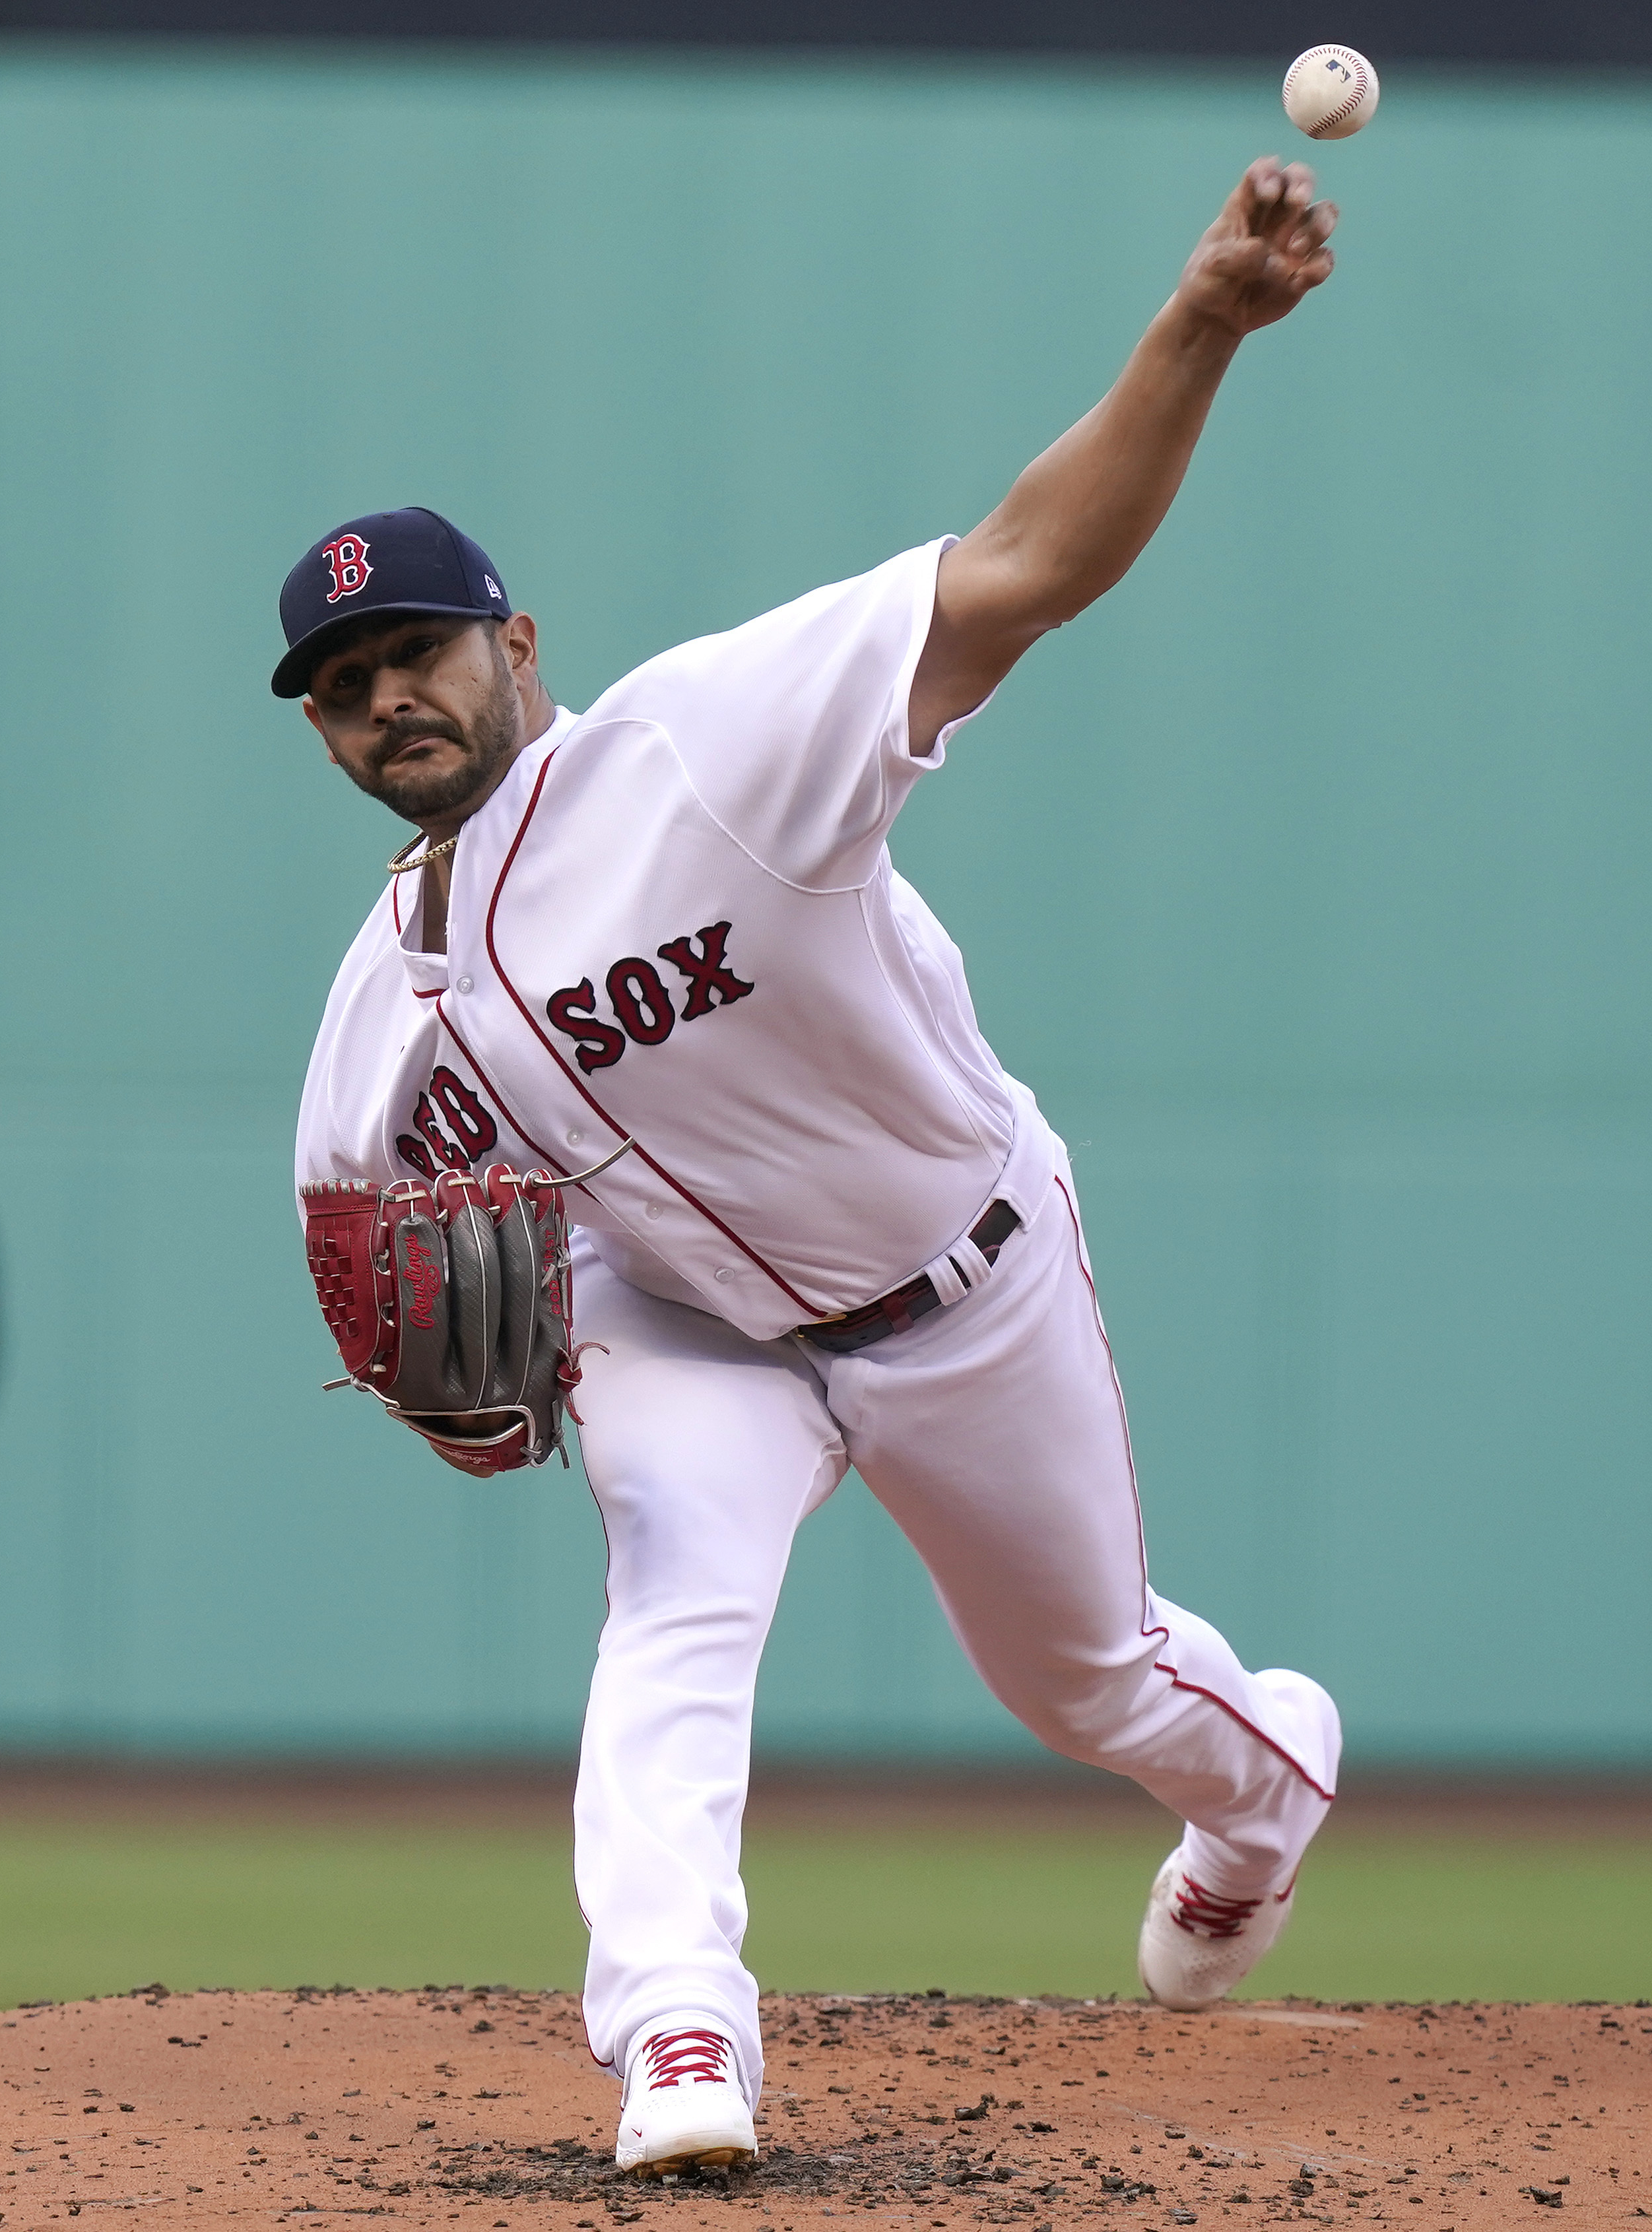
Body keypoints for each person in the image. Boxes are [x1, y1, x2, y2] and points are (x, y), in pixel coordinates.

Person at [283, 160, 1344, 2173]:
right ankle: (679, 2036)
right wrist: (449, 1397)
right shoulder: (378, 998)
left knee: (1087, 1677)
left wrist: (1201, 322)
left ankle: (1264, 1792)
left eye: (416, 649)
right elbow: (369, 1253)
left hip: (965, 1275)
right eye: (344, 689)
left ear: (518, 641)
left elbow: (1028, 564)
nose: (386, 697)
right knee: (675, 1601)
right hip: (691, 1329)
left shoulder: (705, 743)